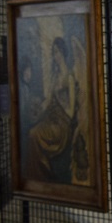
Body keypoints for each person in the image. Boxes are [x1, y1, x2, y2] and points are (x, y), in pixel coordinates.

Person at [25, 37, 82, 183]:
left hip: (62, 124)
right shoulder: (54, 76)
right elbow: (48, 101)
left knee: (34, 135)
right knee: (31, 133)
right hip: (51, 117)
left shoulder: (69, 77)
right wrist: (38, 111)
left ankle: (43, 176)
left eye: (57, 52)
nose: (55, 56)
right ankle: (39, 178)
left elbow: (71, 112)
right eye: (53, 53)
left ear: (63, 52)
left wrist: (61, 104)